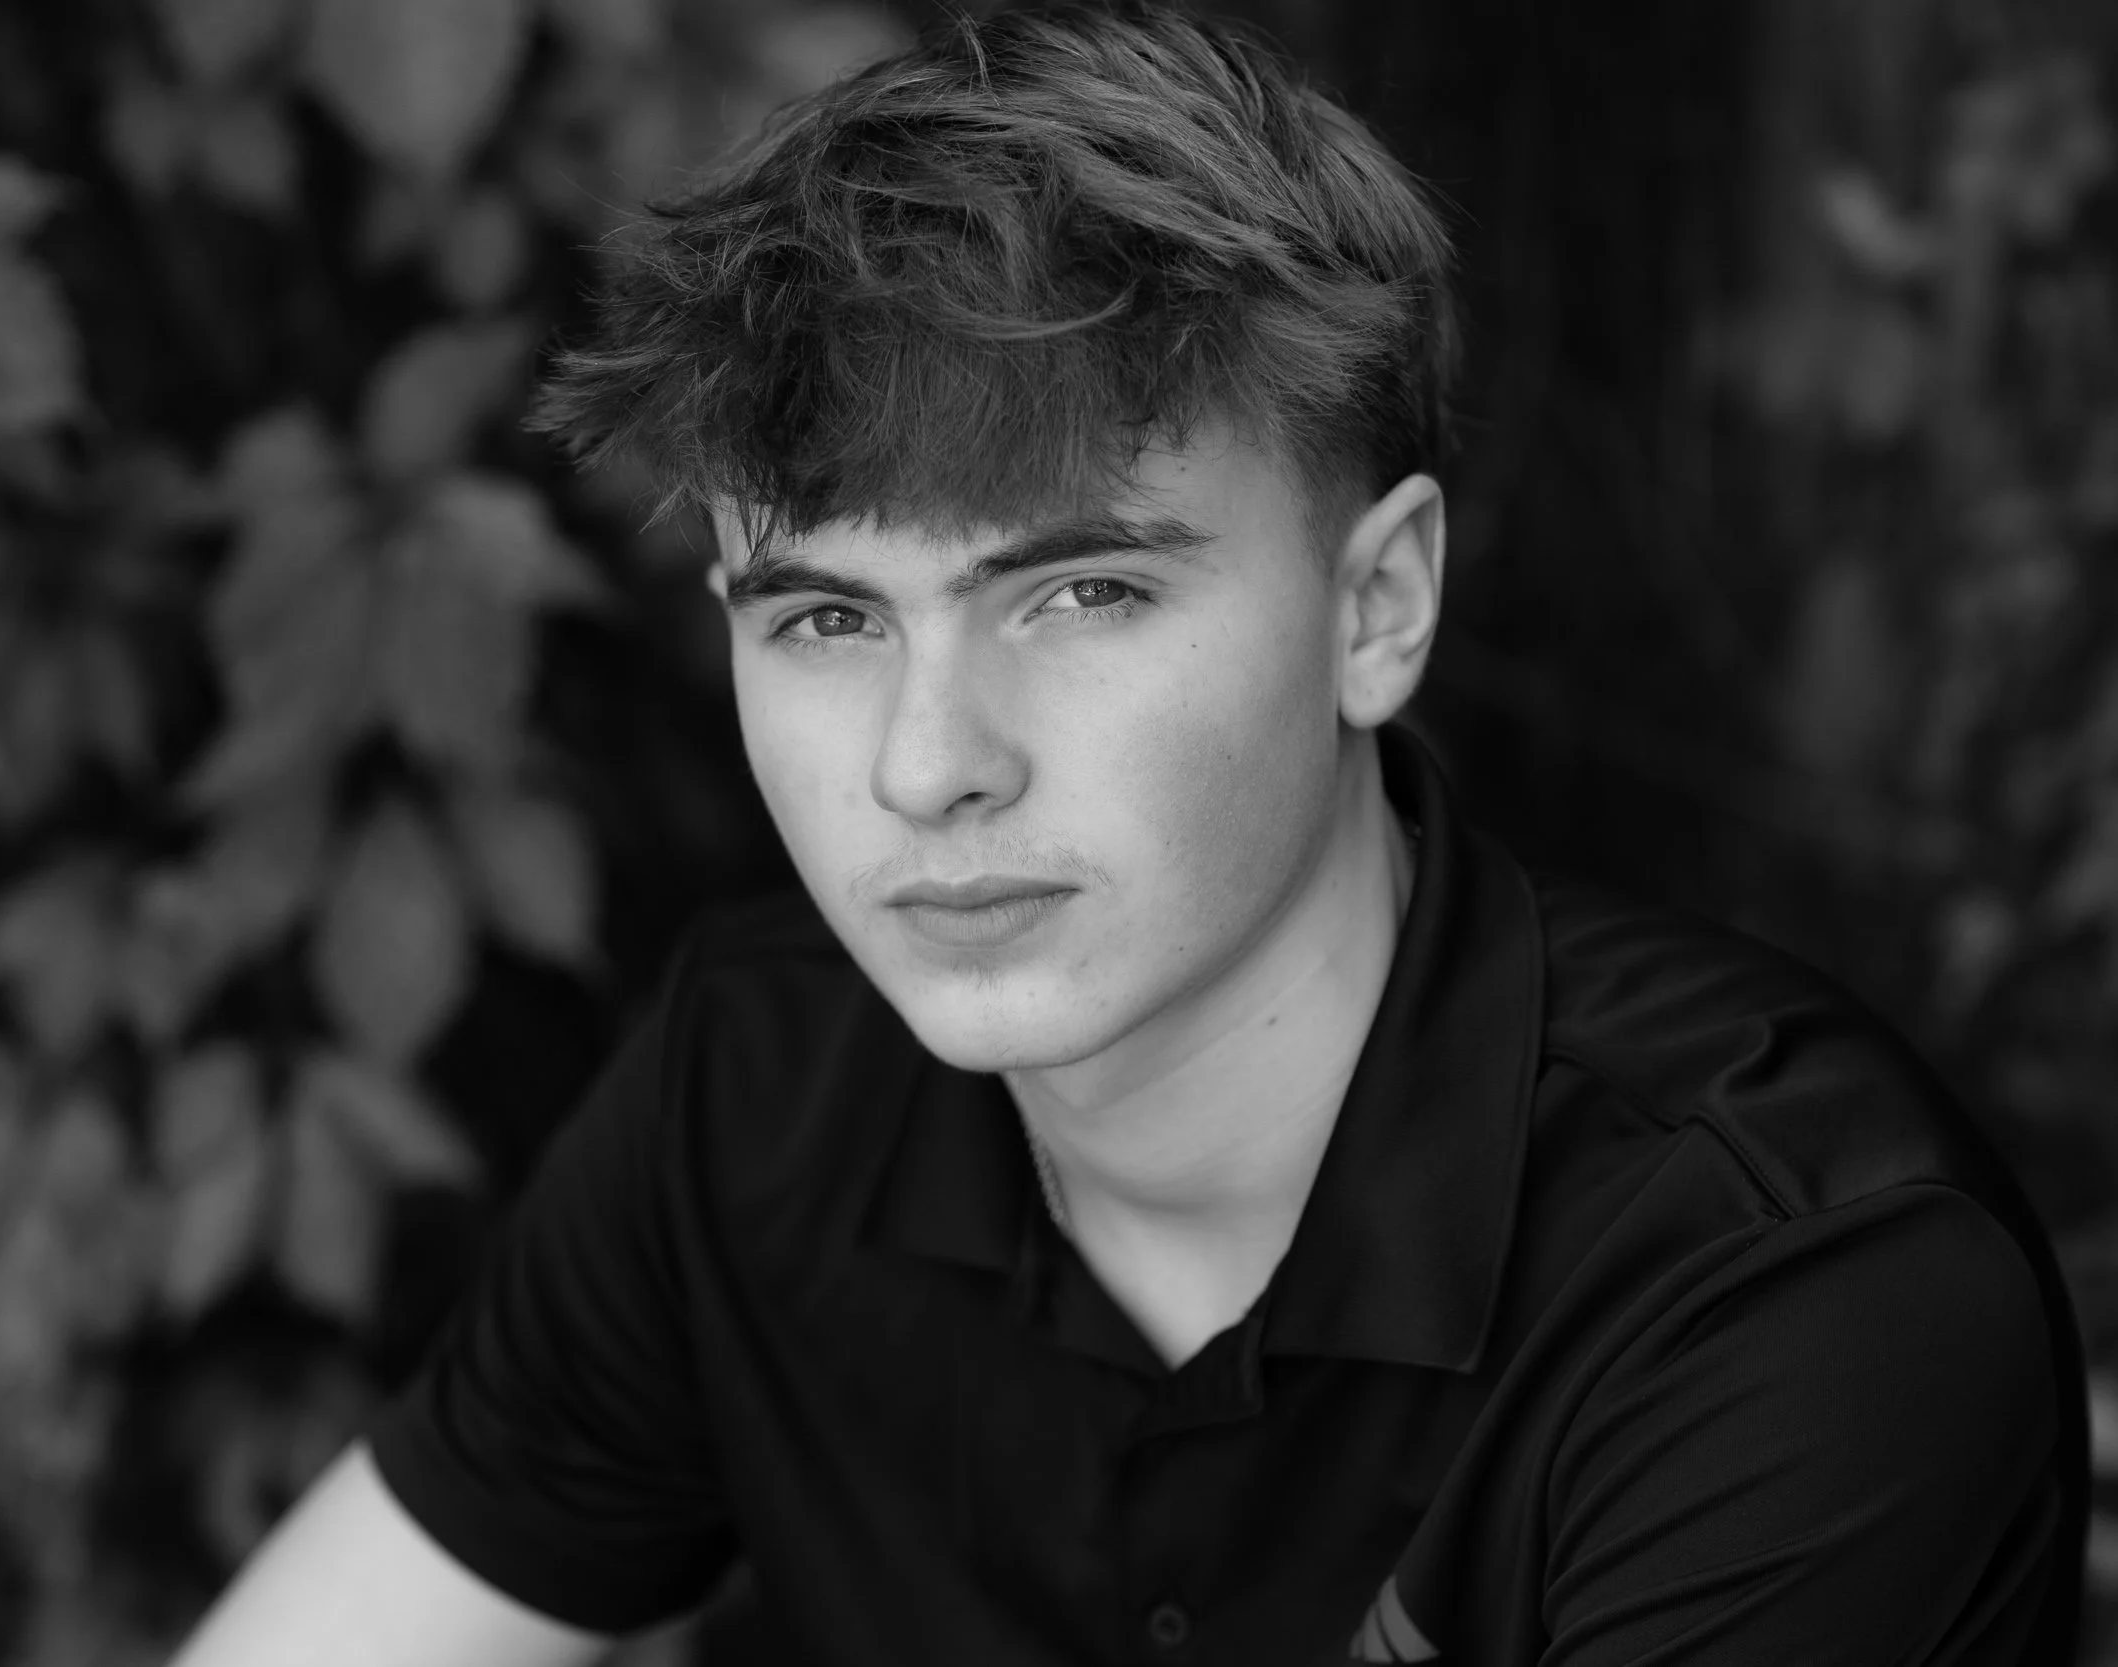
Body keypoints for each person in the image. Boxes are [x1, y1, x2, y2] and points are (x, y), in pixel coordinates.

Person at [167, 5, 2085, 1662]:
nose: (931, 768)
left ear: (1376, 606)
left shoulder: (1792, 1296)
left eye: (1077, 596)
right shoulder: (759, 1096)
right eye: (828, 618)